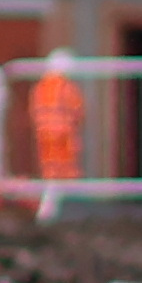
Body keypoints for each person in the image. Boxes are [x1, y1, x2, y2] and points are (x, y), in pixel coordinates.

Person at [30, 49, 85, 183]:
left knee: (49, 168)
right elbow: (78, 109)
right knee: (66, 168)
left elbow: (34, 110)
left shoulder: (40, 87)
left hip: (44, 133)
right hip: (65, 133)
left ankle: (52, 194)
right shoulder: (66, 86)